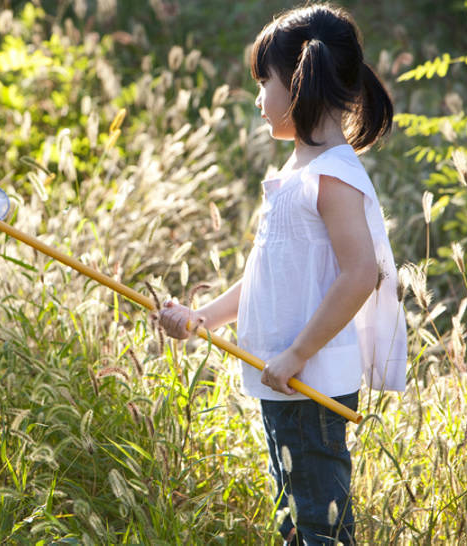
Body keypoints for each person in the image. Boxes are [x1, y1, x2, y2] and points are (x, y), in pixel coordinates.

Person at [158, 4, 407, 545]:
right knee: (294, 519)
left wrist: (297, 352)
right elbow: (267, 278)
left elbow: (361, 273)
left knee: (322, 525)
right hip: (286, 383)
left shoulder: (333, 175)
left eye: (263, 82)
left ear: (301, 84)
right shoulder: (299, 172)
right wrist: (203, 317)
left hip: (308, 384)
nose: (256, 98)